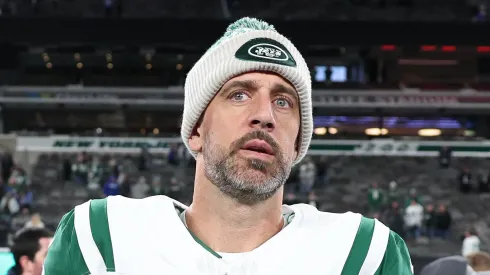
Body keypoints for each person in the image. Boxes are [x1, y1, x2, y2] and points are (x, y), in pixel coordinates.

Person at [43, 17, 413, 275]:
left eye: (284, 101)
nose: (264, 115)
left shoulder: (365, 254)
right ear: (195, 131)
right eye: (238, 95)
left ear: (300, 138)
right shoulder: (98, 237)